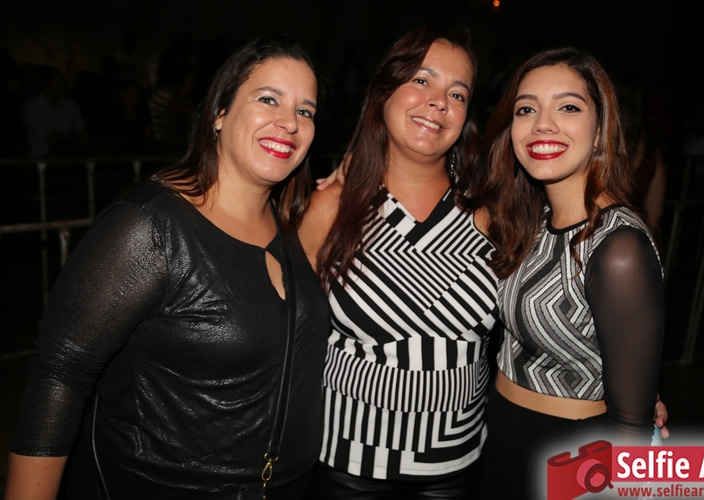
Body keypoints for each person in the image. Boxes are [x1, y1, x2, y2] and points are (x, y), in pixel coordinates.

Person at [7, 36, 330, 500]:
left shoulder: (291, 229)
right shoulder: (150, 225)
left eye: (305, 110)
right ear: (219, 112)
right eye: (268, 99)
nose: (290, 122)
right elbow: (60, 372)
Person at [299, 26, 496, 499]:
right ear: (384, 89)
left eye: (457, 94)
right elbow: (288, 329)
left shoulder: (487, 211)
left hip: (457, 462)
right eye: (421, 80)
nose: (438, 102)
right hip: (348, 462)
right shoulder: (332, 208)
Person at [478, 48, 664, 499]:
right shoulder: (531, 219)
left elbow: (631, 425)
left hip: (569, 452)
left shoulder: (618, 248)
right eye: (526, 109)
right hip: (499, 434)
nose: (543, 124)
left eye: (568, 108)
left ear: (600, 132)